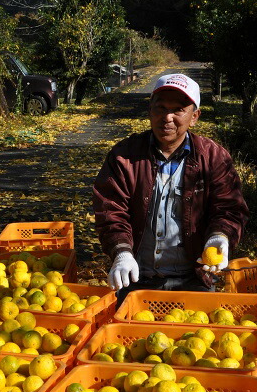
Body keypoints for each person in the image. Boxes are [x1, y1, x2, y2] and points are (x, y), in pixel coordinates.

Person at [93, 72, 248, 300]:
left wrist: (220, 235)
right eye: (160, 107)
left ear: (194, 116)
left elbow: (230, 208)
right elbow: (110, 211)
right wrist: (121, 252)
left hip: (194, 280)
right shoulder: (124, 157)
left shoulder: (213, 157)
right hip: (137, 279)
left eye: (178, 110)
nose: (167, 117)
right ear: (149, 111)